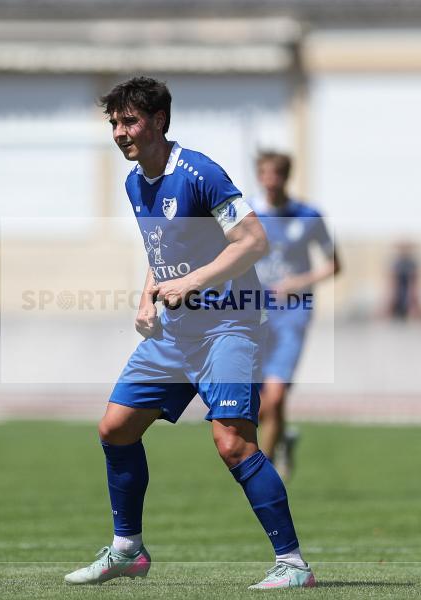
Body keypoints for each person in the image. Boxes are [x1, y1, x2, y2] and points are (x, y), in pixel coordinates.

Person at [64, 77, 316, 589]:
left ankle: (293, 565)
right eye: (114, 123)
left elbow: (254, 241)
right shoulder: (135, 183)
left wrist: (193, 282)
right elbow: (162, 253)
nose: (119, 132)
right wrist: (147, 298)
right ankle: (127, 550)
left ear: (158, 120)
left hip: (228, 327)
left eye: (129, 121)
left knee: (233, 443)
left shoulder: (200, 173)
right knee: (116, 428)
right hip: (174, 335)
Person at [252, 152, 341, 478]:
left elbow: (335, 264)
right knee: (255, 404)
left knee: (274, 398)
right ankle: (283, 439)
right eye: (265, 173)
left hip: (292, 313)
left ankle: (260, 475)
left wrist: (298, 283)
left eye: (277, 174)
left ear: (287, 177)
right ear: (259, 176)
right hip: (252, 314)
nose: (270, 180)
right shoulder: (245, 214)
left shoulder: (308, 216)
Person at [384, 241, 421, 322]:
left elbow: (415, 283)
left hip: (409, 293)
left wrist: (415, 299)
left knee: (414, 310)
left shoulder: (412, 263)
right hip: (398, 292)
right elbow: (392, 282)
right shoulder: (396, 263)